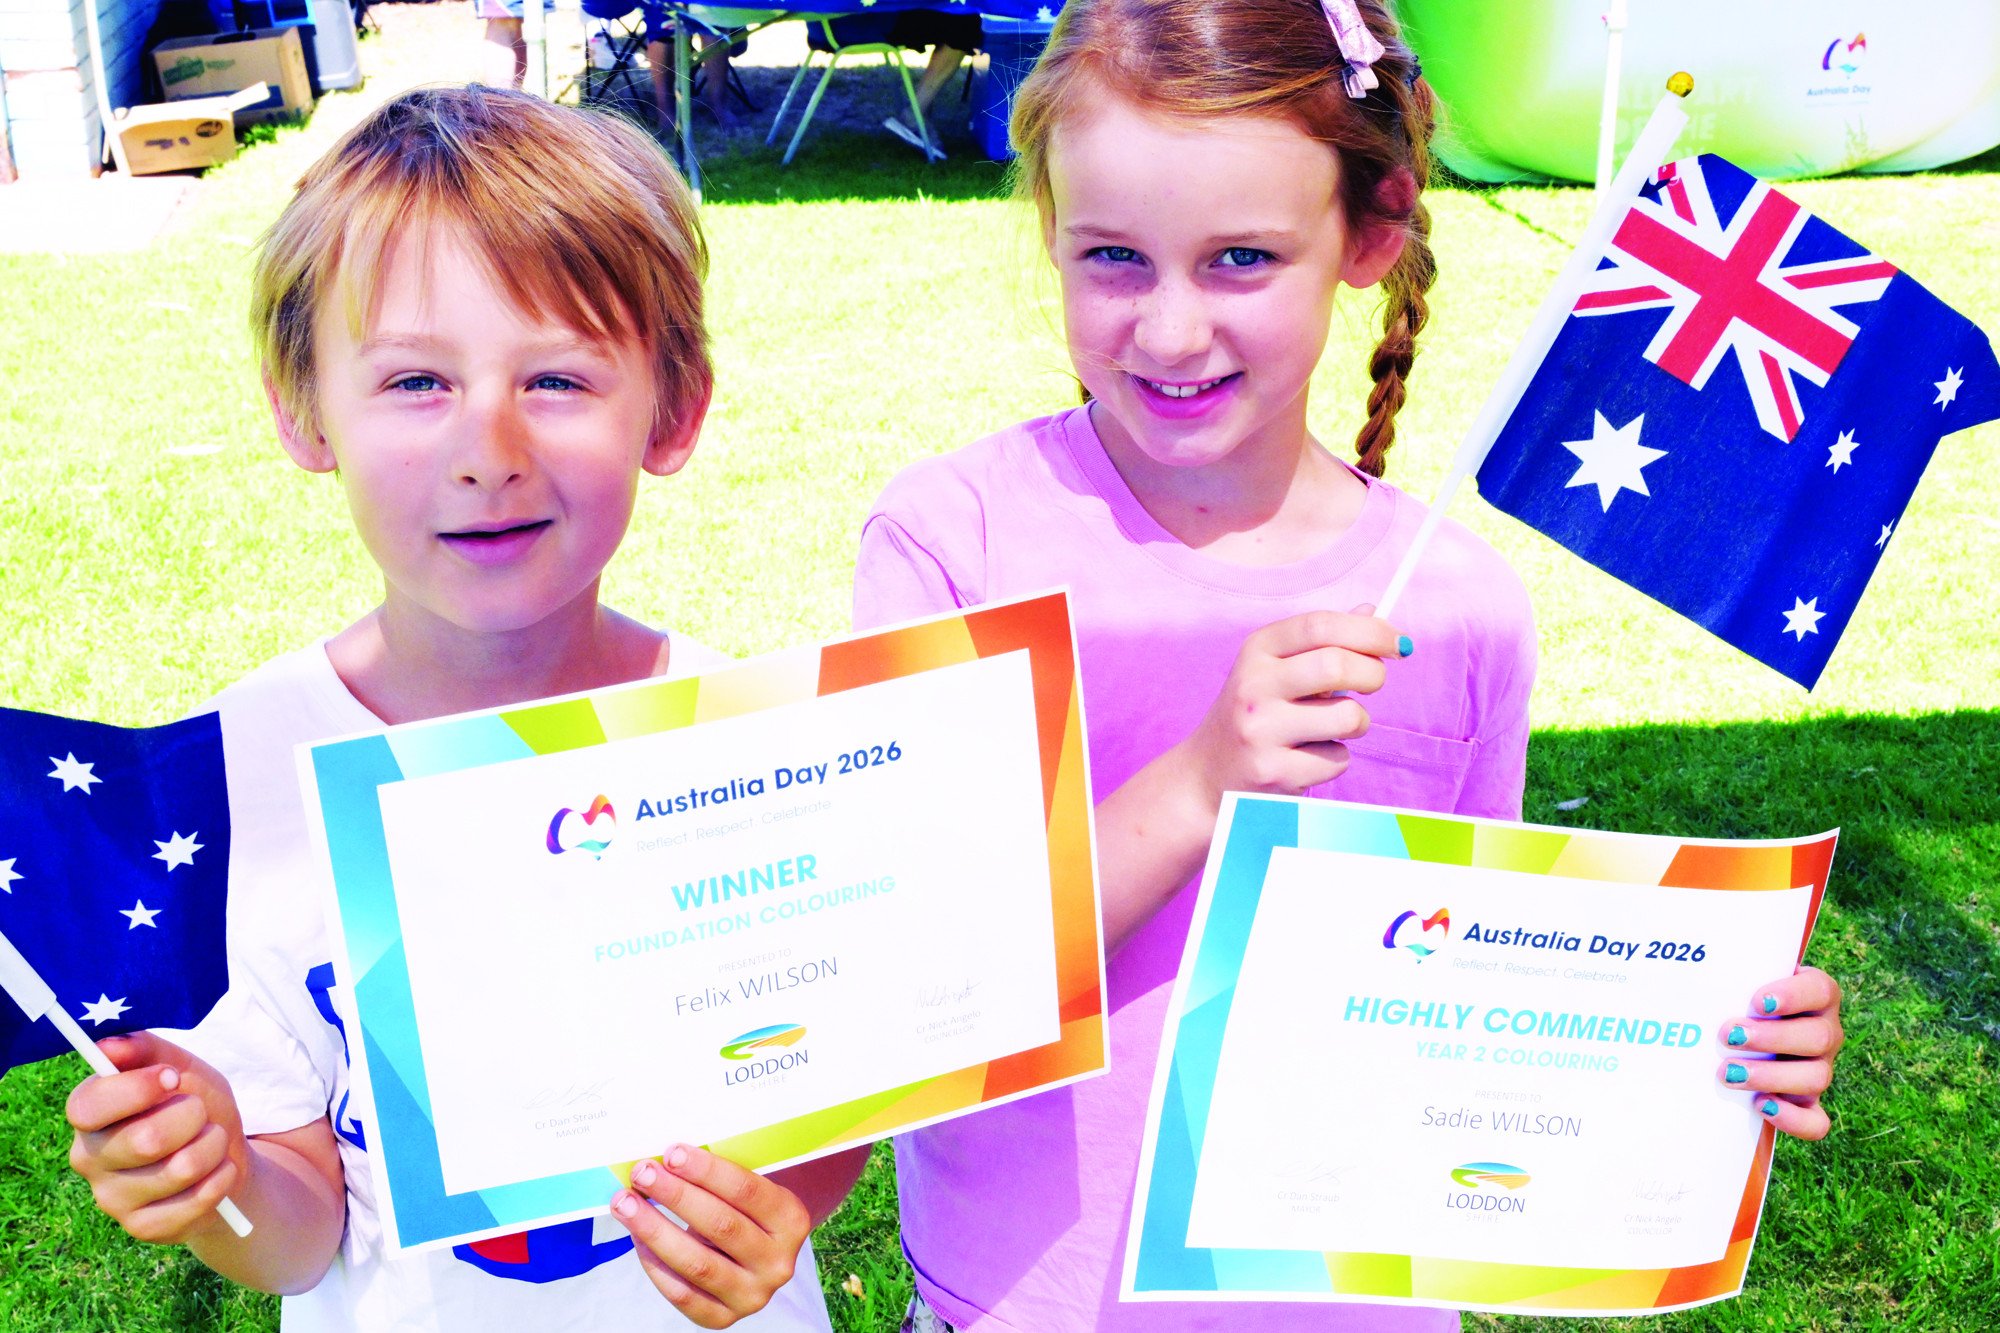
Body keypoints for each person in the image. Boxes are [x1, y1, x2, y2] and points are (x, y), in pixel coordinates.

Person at [850, 1, 1848, 1330]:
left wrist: (1716, 1039)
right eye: (1113, 260)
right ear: (1052, 233)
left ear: (1369, 234)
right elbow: (907, 983)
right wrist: (1201, 782)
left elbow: (1481, 981)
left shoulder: (1460, 604)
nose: (1168, 328)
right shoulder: (954, 543)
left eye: (1242, 259)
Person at [62, 87, 869, 1333]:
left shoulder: (745, 750)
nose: (487, 447)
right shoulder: (246, 782)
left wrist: (779, 1207)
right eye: (416, 383)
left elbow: (820, 1115)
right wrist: (213, 1173)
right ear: (302, 404)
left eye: (555, 377)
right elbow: (299, 1233)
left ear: (673, 404)